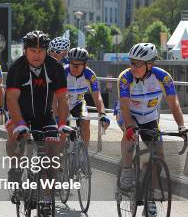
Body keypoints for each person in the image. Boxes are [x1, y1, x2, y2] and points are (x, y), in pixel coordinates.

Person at [5, 31, 71, 217]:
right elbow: (11, 99)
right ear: (25, 50)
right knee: (16, 137)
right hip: (21, 114)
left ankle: (45, 200)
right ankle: (16, 168)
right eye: (33, 50)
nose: (37, 55)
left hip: (45, 116)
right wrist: (21, 125)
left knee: (52, 154)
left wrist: (61, 125)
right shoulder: (17, 68)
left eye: (41, 50)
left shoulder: (55, 67)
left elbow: (62, 99)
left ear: (46, 51)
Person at [117, 43, 186, 203]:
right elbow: (124, 107)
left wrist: (181, 127)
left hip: (149, 119)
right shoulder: (125, 78)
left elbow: (174, 105)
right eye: (131, 62)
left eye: (137, 64)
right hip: (128, 115)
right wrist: (129, 127)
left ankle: (150, 198)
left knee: (158, 157)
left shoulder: (163, 77)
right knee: (130, 135)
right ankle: (126, 170)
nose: (133, 67)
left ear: (150, 64)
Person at [64, 47, 110, 146]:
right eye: (72, 64)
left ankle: (84, 154)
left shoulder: (89, 75)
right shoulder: (63, 72)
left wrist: (102, 114)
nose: (74, 68)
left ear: (85, 65)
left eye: (78, 65)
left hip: (78, 103)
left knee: (85, 121)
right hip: (63, 103)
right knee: (62, 129)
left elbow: (97, 97)